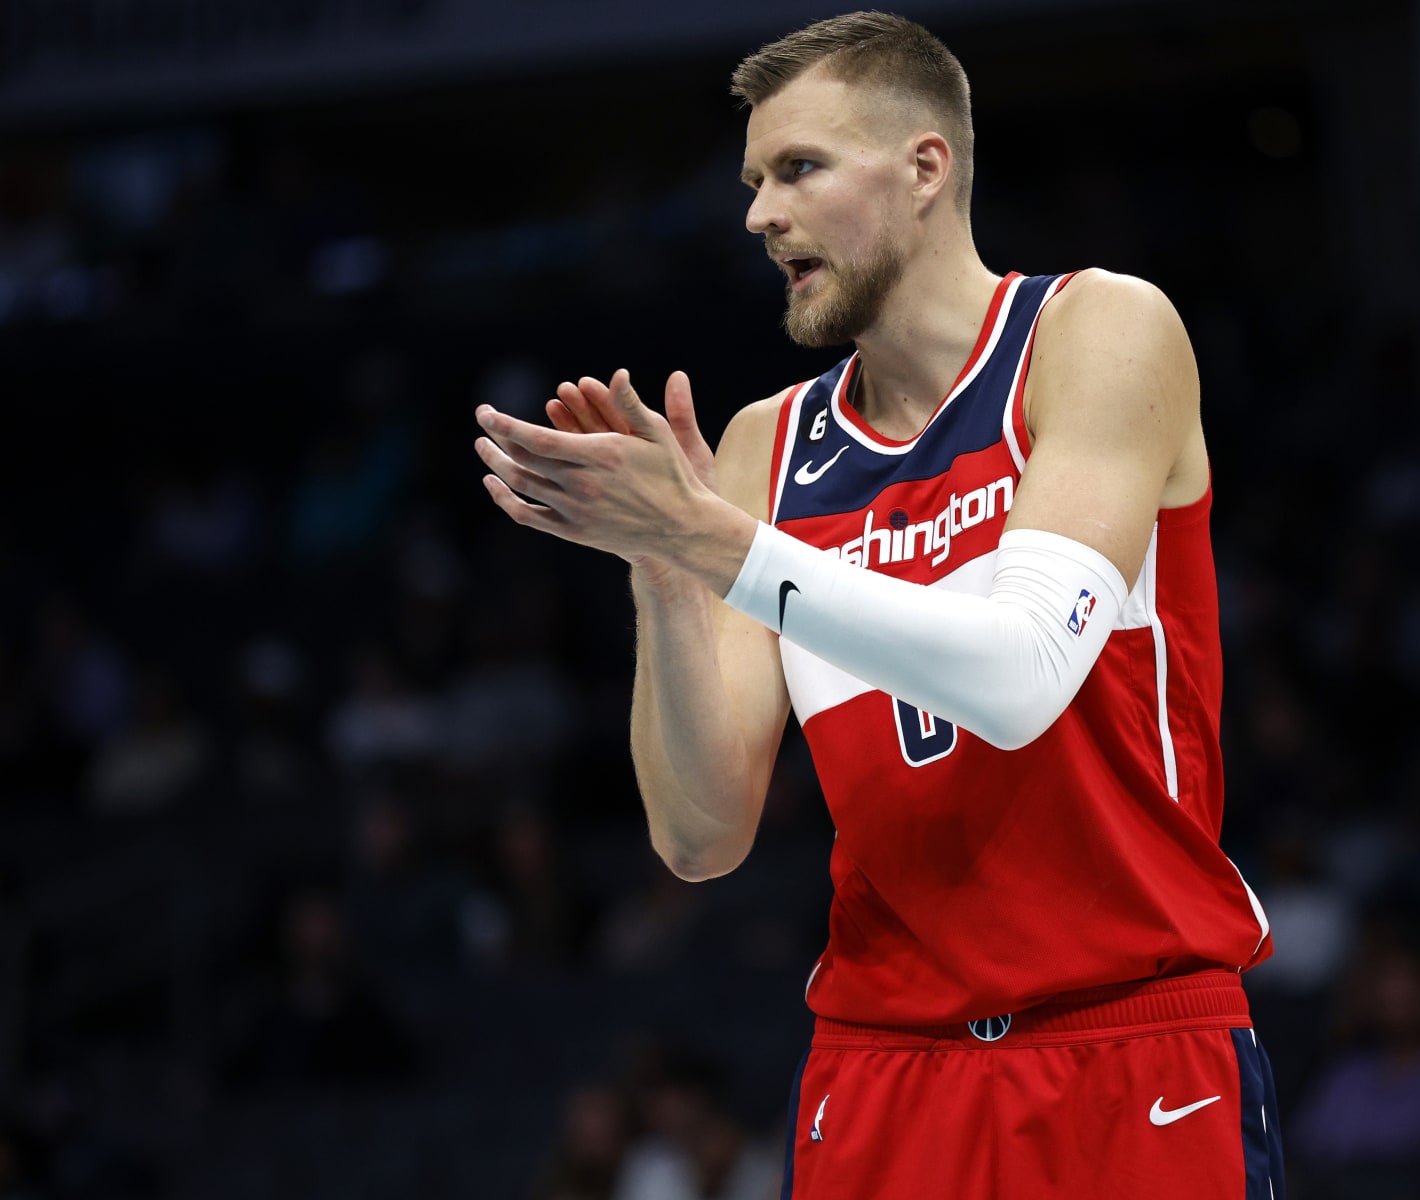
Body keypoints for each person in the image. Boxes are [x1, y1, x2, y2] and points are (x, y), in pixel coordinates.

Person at [474, 12, 1282, 1198]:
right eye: (752, 181)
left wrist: (711, 539)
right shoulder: (768, 448)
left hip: (1130, 1042)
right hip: (883, 1072)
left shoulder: (1097, 331)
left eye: (798, 168)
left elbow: (1017, 681)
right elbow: (699, 839)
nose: (758, 214)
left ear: (925, 166)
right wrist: (664, 566)